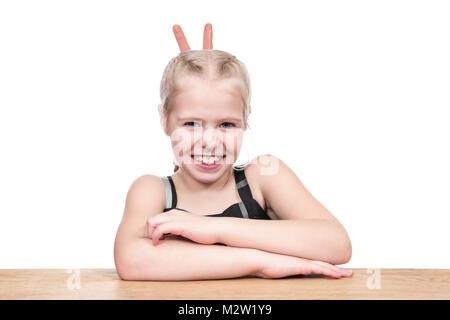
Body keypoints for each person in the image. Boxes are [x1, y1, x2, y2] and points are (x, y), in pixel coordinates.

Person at [113, 24, 353, 281]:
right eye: (191, 124)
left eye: (226, 124)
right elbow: (131, 260)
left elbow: (337, 244)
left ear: (245, 119)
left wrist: (212, 228)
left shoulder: (263, 176)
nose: (209, 142)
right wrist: (259, 261)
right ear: (165, 120)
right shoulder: (152, 191)